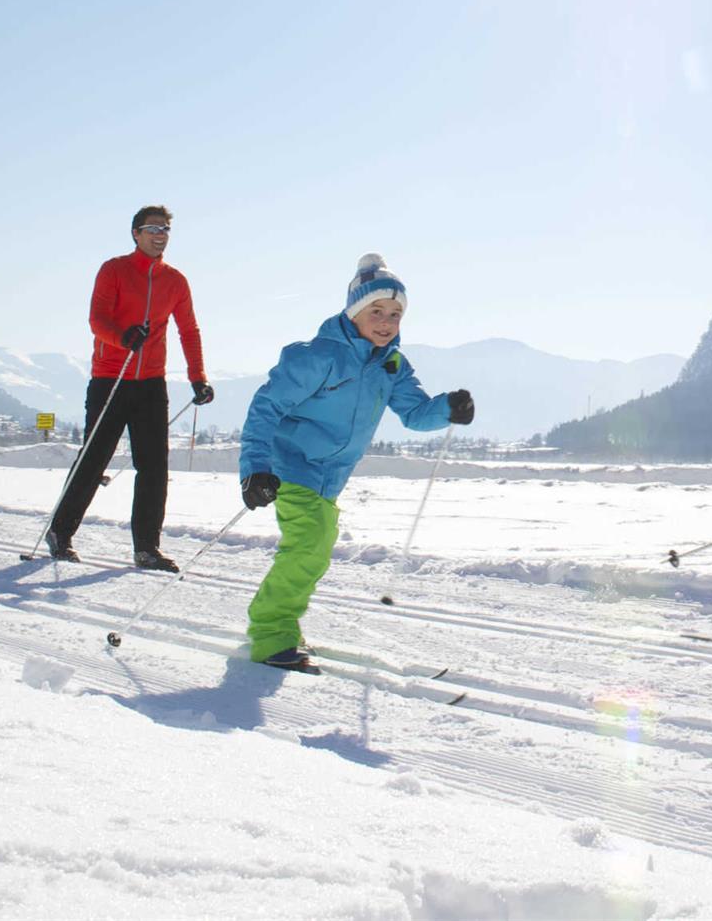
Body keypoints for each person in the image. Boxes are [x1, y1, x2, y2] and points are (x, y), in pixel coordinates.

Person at [238, 253, 475, 673]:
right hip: (290, 465)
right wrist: (255, 467)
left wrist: (448, 408)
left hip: (331, 478)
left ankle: (277, 624)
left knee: (315, 548)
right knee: (309, 545)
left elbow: (415, 414)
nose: (386, 322)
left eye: (395, 314)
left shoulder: (392, 365)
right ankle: (271, 634)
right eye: (376, 311)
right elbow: (266, 407)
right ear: (354, 311)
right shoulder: (318, 356)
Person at [45, 205, 213, 570]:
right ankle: (60, 532)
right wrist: (123, 337)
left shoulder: (175, 281)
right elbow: (97, 319)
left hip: (151, 383)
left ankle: (147, 548)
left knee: (154, 467)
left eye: (165, 229)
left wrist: (198, 377)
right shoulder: (114, 270)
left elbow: (188, 330)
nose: (159, 235)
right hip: (111, 378)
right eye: (152, 228)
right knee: (94, 460)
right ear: (136, 233)